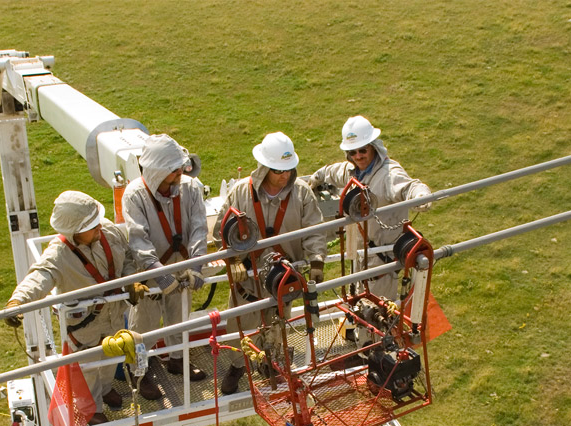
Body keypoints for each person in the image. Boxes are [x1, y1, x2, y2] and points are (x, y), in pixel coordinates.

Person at [4, 191, 146, 425]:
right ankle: (92, 405)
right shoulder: (59, 255)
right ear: (73, 233)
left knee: (112, 355)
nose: (98, 227)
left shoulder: (109, 232)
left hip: (113, 313)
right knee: (88, 366)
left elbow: (128, 258)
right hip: (85, 323)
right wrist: (18, 302)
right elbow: (39, 277)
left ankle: (106, 388)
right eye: (91, 226)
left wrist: (131, 281)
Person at [215, 132, 327, 395]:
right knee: (240, 329)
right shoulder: (241, 193)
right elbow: (221, 229)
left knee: (279, 325)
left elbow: (314, 229)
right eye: (278, 170)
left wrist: (317, 260)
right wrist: (231, 260)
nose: (284, 176)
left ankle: (271, 361)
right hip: (248, 281)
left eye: (288, 170)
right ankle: (238, 367)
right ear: (264, 167)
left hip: (282, 280)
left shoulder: (301, 194)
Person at [308, 115, 432, 303]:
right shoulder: (352, 171)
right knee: (356, 307)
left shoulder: (388, 175)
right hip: (358, 256)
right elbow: (331, 172)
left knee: (376, 315)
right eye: (352, 152)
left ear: (373, 147)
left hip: (380, 264)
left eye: (362, 150)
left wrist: (421, 196)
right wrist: (317, 178)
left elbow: (409, 187)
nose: (358, 156)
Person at [122, 133, 209, 399]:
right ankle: (139, 372)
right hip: (148, 273)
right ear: (156, 172)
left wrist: (197, 264)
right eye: (171, 173)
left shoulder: (191, 189)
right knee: (144, 326)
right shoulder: (135, 196)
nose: (177, 177)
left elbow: (198, 228)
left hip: (182, 267)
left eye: (178, 171)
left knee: (179, 319)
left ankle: (177, 360)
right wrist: (159, 276)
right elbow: (138, 239)